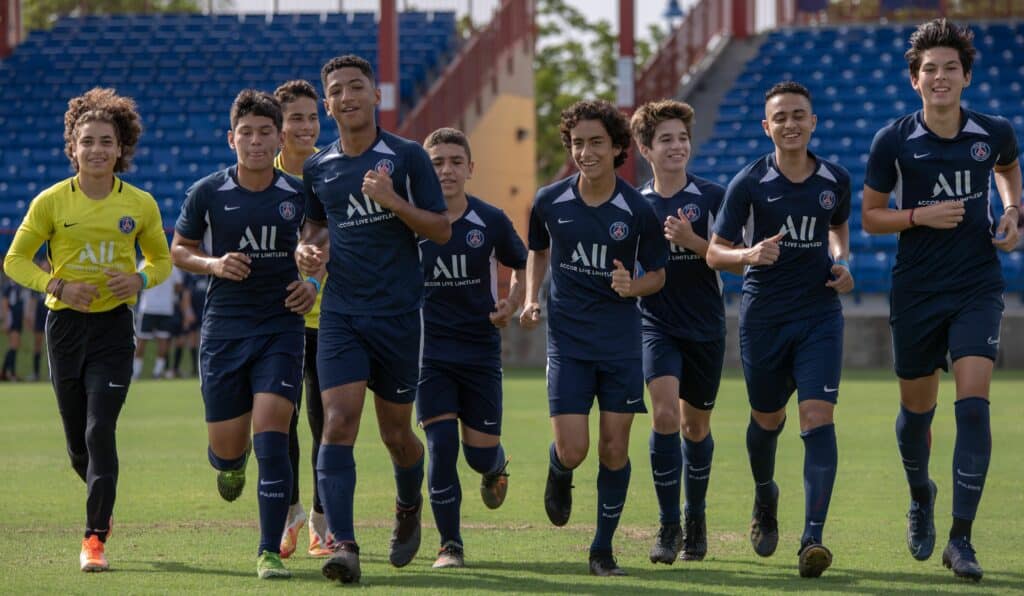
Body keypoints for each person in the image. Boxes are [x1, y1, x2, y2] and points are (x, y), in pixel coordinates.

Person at [861, 19, 1021, 583]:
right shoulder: (893, 139)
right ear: (915, 79)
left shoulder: (994, 130)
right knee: (916, 415)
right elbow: (870, 216)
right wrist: (918, 216)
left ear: (966, 75)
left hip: (978, 285)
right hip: (917, 289)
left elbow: (1007, 170)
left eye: (950, 67)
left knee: (974, 404)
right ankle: (919, 494)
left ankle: (961, 538)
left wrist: (1012, 211)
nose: (940, 77)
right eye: (930, 69)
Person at [296, 54, 451, 584]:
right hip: (341, 313)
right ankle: (344, 545)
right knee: (338, 422)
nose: (346, 96)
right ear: (327, 103)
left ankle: (409, 503)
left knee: (396, 435)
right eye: (336, 89)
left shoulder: (406, 158)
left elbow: (440, 229)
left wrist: (392, 201)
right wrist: (308, 255)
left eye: (356, 86)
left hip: (400, 316)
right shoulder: (318, 167)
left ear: (375, 95)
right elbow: (315, 231)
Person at [2, 87, 171, 571]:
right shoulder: (51, 202)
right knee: (78, 444)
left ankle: (94, 537)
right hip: (64, 329)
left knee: (101, 431)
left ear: (121, 148)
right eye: (87, 141)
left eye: (106, 141)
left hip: (114, 330)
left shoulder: (139, 205)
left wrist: (137, 278)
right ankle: (104, 503)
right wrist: (55, 283)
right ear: (72, 148)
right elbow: (15, 261)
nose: (96, 149)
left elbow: (161, 261)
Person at [705, 81, 854, 579]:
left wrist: (841, 260)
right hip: (764, 317)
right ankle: (765, 495)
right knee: (766, 420)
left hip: (819, 315)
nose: (790, 124)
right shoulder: (748, 183)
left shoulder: (835, 178)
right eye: (780, 117)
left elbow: (837, 225)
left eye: (799, 115)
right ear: (767, 127)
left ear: (813, 122)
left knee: (816, 416)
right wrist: (748, 255)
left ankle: (812, 537)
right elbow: (713, 251)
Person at [170, 89, 319, 580]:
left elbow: (322, 240)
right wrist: (213, 263)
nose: (255, 141)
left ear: (279, 138)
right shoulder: (208, 192)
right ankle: (229, 462)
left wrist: (313, 280)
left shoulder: (298, 194)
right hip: (225, 332)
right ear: (231, 138)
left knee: (273, 436)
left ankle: (268, 551)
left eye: (265, 132)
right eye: (246, 133)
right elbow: (180, 250)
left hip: (281, 326)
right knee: (230, 450)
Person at [520, 99, 668, 576]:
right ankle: (559, 470)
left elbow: (659, 275)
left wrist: (633, 285)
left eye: (596, 143)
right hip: (568, 340)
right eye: (578, 143)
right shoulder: (548, 201)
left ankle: (602, 549)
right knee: (574, 449)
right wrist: (530, 297)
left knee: (613, 449)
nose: (586, 152)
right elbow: (536, 252)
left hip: (621, 341)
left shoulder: (637, 208)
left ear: (617, 147)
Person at [630, 99, 741, 563]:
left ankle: (696, 518)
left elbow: (731, 261)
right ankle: (668, 525)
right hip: (656, 325)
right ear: (645, 148)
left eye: (682, 138)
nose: (677, 146)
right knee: (664, 417)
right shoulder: (635, 205)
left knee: (696, 427)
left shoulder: (714, 198)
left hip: (705, 328)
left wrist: (692, 241)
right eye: (666, 140)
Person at [417, 127, 527, 568]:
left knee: (478, 455)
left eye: (454, 162)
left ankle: (495, 464)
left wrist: (512, 302)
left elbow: (521, 263)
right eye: (437, 162)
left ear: (470, 169)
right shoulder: (411, 221)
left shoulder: (491, 219)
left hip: (480, 350)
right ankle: (450, 544)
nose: (446, 170)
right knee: (440, 445)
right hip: (428, 352)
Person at [271, 78, 324, 559]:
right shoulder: (258, 174)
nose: (306, 127)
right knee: (280, 422)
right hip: (279, 319)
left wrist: (316, 281)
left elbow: (349, 241)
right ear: (278, 126)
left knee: (326, 422)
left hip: (333, 318)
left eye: (312, 117)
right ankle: (291, 516)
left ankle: (323, 523)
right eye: (296, 118)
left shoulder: (336, 170)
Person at [132, 265, 186, 379]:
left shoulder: (144, 263)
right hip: (165, 308)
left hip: (148, 308)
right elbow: (178, 286)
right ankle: (157, 373)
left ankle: (136, 373)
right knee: (162, 341)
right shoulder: (171, 266)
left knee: (142, 340)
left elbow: (137, 283)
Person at [1, 271, 26, 381]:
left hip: (18, 318)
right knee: (13, 345)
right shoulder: (8, 286)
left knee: (15, 346)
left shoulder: (19, 286)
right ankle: (9, 373)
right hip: (13, 318)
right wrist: (7, 320)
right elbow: (5, 304)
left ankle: (5, 372)